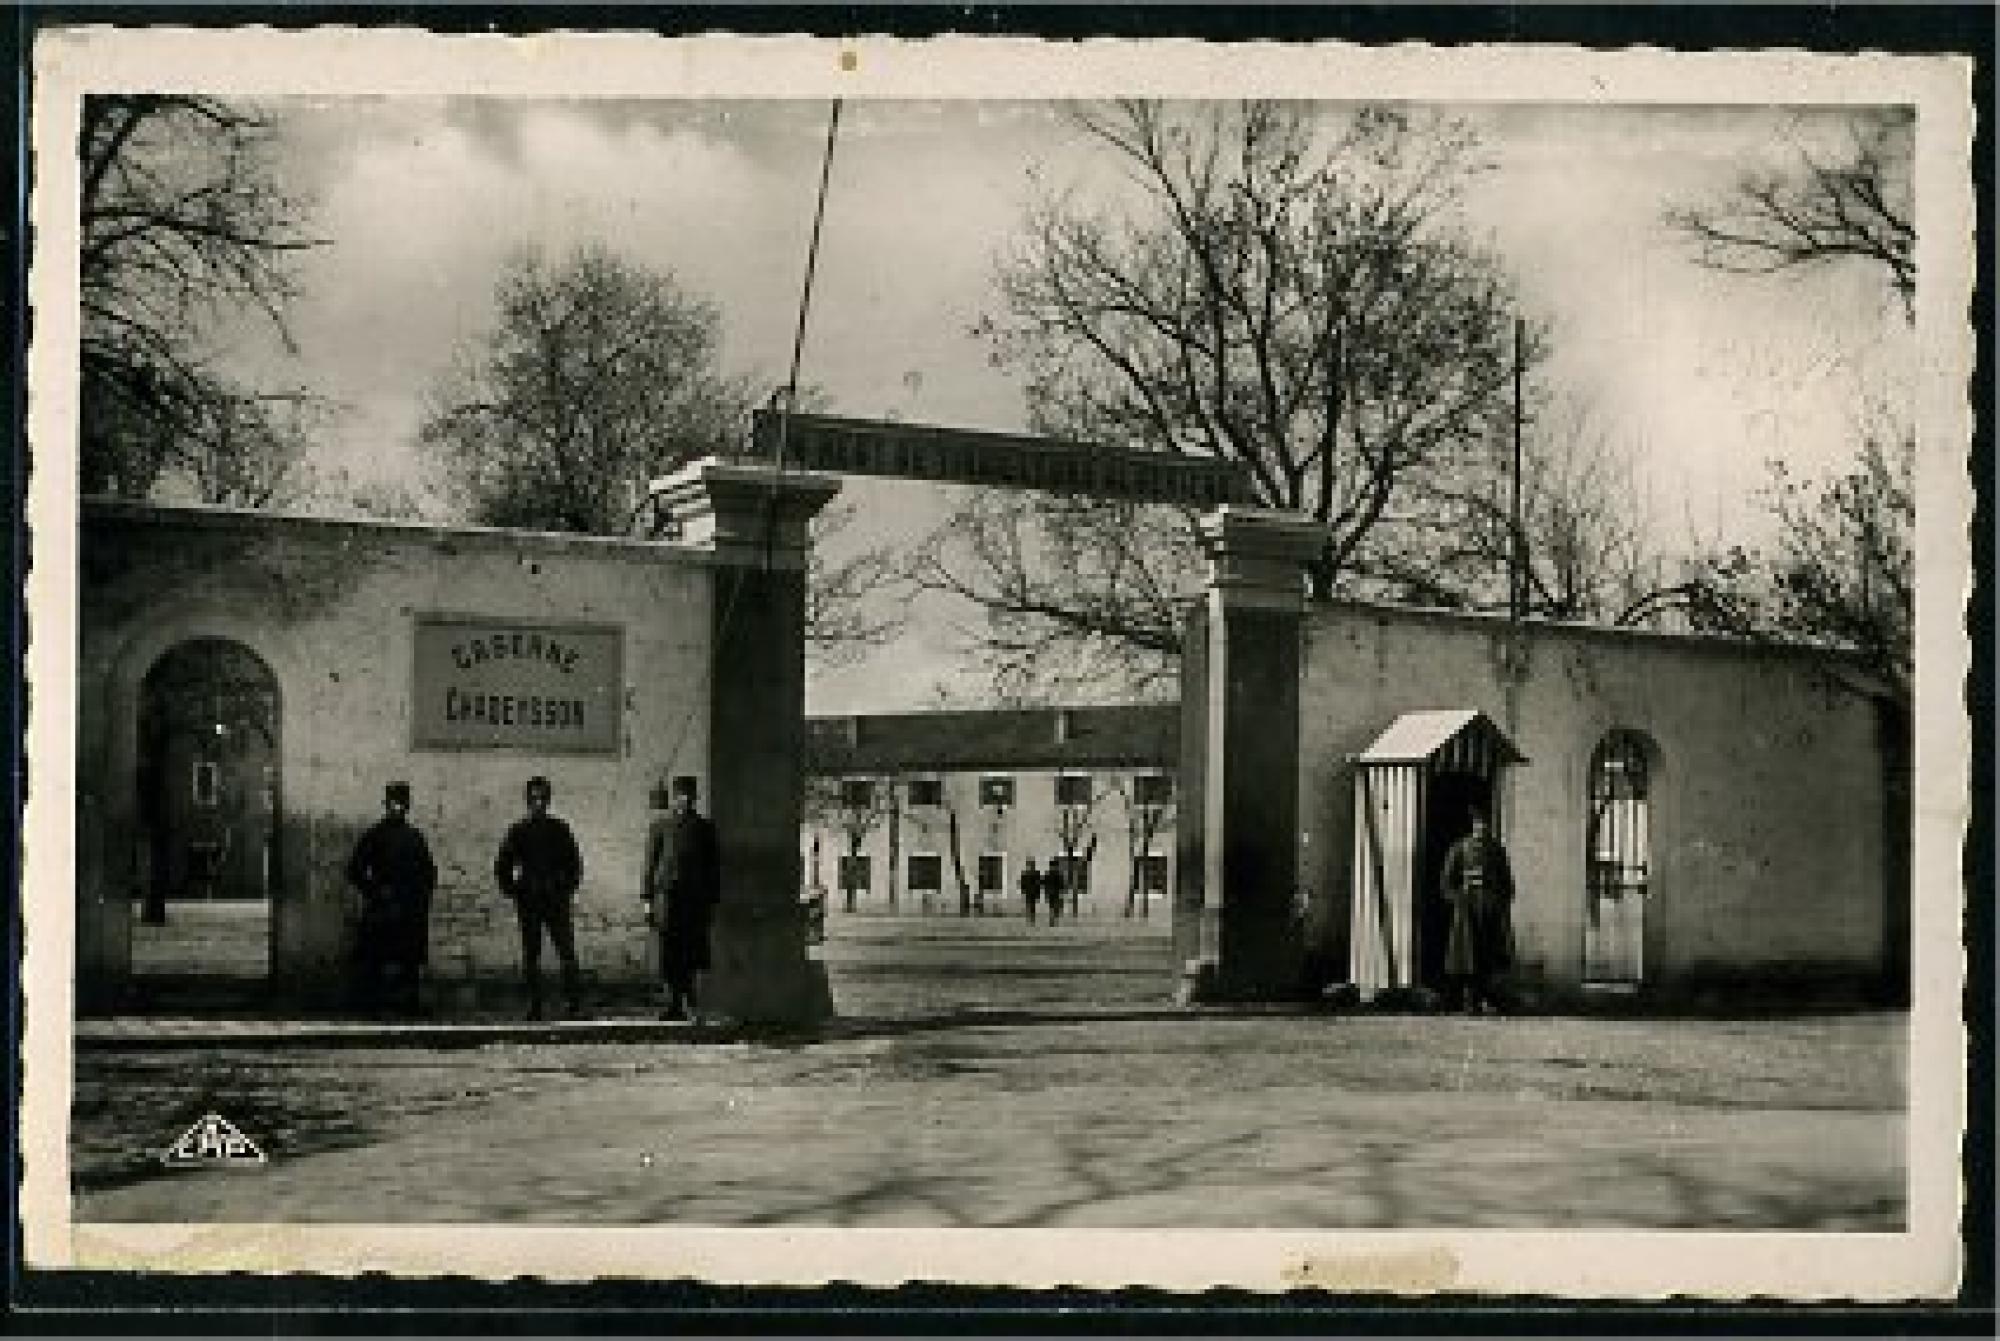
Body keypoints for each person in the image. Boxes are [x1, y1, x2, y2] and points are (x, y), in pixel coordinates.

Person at [494, 775, 584, 1020]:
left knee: (566, 952)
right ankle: (535, 1006)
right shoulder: (519, 830)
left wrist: (565, 887)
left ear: (549, 800)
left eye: (543, 798)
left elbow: (575, 864)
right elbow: (503, 864)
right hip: (530, 900)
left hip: (556, 900)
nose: (539, 803)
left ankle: (574, 1005)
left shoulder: (560, 829)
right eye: (534, 798)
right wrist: (514, 891)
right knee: (531, 954)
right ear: (528, 800)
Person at [344, 781, 437, 1017]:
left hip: (410, 906)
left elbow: (429, 871)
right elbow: (355, 869)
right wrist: (375, 891)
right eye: (393, 803)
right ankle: (371, 1004)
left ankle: (410, 1003)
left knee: (410, 957)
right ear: (386, 805)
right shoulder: (375, 835)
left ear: (407, 806)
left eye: (402, 803)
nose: (398, 808)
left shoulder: (415, 837)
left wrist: (422, 896)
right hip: (383, 905)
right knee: (375, 955)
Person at [642, 775, 721, 1022]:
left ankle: (690, 1001)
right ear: (673, 799)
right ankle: (673, 1003)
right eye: (679, 795)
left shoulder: (705, 828)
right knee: (669, 952)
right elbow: (649, 865)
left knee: (691, 951)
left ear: (694, 798)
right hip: (666, 899)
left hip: (695, 901)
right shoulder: (660, 827)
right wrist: (647, 900)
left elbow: (714, 868)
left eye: (688, 795)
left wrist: (712, 902)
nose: (683, 800)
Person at [1439, 808, 1516, 1014]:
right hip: (1466, 915)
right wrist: (1459, 899)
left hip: (1489, 915)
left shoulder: (1498, 851)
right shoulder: (1459, 849)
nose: (1482, 828)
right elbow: (1446, 884)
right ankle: (1459, 1002)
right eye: (1478, 824)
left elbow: (1508, 885)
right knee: (1464, 960)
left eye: (1486, 825)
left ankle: (1482, 1000)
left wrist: (1498, 903)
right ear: (1473, 826)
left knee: (1487, 960)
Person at [1042, 857, 1066, 926]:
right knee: (1055, 906)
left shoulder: (1048, 874)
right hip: (1055, 893)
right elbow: (1061, 885)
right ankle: (1054, 919)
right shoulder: (1059, 874)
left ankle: (1053, 919)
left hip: (1051, 893)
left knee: (1053, 907)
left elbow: (1045, 884)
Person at [1018, 858, 1042, 925]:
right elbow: (1023, 883)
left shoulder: (1036, 873)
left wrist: (1038, 892)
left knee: (1032, 905)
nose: (1031, 866)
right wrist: (1023, 891)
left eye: (1032, 864)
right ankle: (1030, 917)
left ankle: (1031, 918)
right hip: (1029, 891)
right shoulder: (1027, 873)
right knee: (1029, 905)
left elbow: (1038, 883)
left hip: (1032, 891)